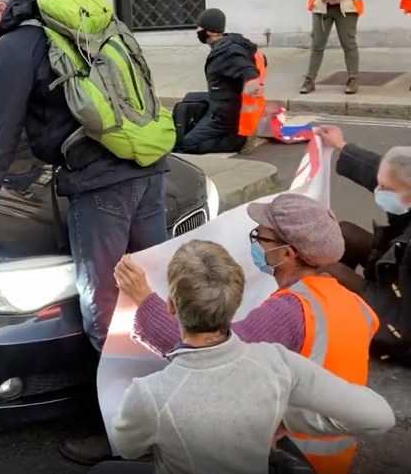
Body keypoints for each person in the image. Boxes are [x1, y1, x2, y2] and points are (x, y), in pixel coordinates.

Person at [0, 0, 170, 465]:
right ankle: (176, 404)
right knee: (154, 294)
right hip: (149, 165)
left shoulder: (17, 44)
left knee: (103, 312)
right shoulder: (68, 19)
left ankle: (125, 436)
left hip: (102, 185)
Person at [115, 193, 380, 474]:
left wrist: (144, 299)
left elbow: (209, 358)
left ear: (287, 254)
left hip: (291, 459)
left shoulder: (289, 312)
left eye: (261, 237)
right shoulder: (354, 304)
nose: (255, 242)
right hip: (333, 456)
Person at [314, 126, 411, 361]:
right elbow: (386, 170)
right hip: (396, 275)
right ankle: (338, 306)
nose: (378, 190)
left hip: (401, 320)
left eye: (385, 188)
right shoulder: (404, 188)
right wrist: (342, 145)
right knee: (343, 232)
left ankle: (340, 323)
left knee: (324, 266)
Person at [172, 8, 266, 155]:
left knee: (187, 144)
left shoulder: (228, 52)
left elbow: (249, 72)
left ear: (208, 32)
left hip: (225, 115)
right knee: (190, 98)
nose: (197, 31)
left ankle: (238, 140)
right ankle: (203, 125)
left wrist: (250, 88)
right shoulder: (228, 42)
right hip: (222, 99)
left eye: (199, 28)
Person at [300, 0, 367, 95]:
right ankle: (310, 79)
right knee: (317, 44)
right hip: (322, 3)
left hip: (347, 6)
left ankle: (353, 78)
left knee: (348, 43)